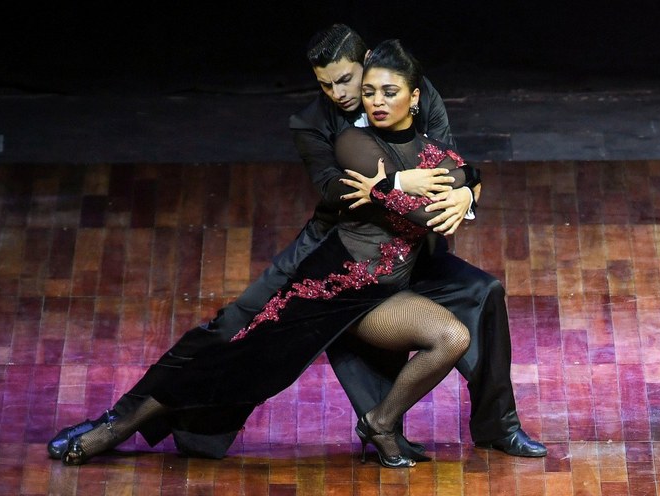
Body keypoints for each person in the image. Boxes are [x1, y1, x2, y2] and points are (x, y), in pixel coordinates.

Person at [48, 24, 546, 460]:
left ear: (368, 65)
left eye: (348, 79)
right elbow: (335, 189)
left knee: (485, 294)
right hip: (333, 251)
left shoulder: (408, 88)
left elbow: (449, 160)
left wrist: (465, 194)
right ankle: (122, 420)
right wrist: (399, 185)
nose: (342, 94)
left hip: (411, 252)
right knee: (231, 334)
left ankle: (498, 427)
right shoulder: (315, 124)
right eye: (327, 84)